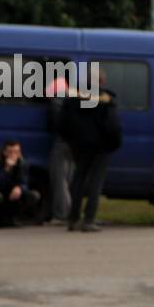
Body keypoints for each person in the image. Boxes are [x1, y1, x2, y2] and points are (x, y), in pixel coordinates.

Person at [59, 72, 122, 232]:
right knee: (95, 183)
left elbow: (62, 123)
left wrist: (72, 141)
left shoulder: (72, 97)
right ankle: (89, 220)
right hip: (100, 147)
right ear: (101, 82)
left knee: (78, 180)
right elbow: (113, 125)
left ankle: (73, 219)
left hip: (79, 146)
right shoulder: (106, 99)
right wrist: (114, 144)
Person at [0, 140, 42, 226]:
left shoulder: (22, 163)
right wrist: (6, 169)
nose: (14, 155)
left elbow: (24, 182)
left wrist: (20, 188)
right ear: (4, 152)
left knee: (34, 195)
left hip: (13, 195)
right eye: (10, 152)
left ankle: (17, 217)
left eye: (17, 152)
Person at [44, 76, 74, 224]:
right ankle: (71, 212)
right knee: (68, 179)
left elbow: (53, 124)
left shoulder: (56, 102)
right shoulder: (74, 100)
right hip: (75, 145)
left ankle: (62, 215)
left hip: (61, 143)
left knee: (59, 179)